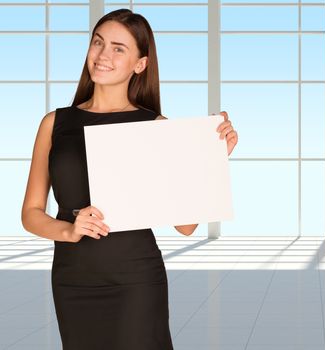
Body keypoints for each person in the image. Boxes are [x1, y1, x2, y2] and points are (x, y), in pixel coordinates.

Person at [20, 9, 238, 350]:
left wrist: (210, 160)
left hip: (136, 280)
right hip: (72, 280)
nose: (103, 55)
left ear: (140, 64)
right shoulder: (54, 123)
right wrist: (69, 230)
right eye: (98, 43)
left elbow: (185, 226)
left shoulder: (157, 127)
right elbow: (31, 213)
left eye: (119, 48)